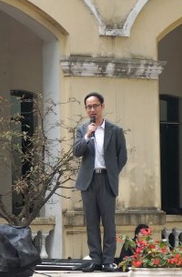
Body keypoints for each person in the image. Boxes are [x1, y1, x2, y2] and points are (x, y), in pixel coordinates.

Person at [74, 92, 128, 273]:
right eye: (89, 106)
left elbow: (122, 156)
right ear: (86, 109)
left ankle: (108, 260)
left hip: (106, 179)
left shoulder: (115, 130)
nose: (92, 109)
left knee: (108, 222)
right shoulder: (82, 130)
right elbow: (77, 152)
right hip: (88, 181)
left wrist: (111, 173)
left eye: (95, 106)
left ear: (102, 106)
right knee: (91, 222)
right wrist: (88, 135)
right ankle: (95, 258)